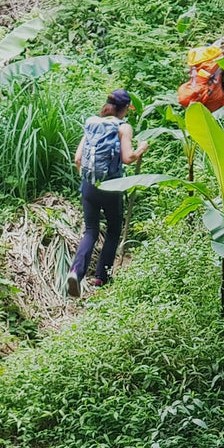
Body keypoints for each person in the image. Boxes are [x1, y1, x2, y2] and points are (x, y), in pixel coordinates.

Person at [69, 89, 147, 297]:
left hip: (88, 186)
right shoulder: (123, 127)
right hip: (111, 186)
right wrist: (142, 148)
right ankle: (101, 278)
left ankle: (75, 272)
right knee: (113, 230)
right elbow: (128, 157)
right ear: (124, 109)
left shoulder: (92, 123)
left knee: (91, 230)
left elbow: (77, 159)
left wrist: (89, 181)